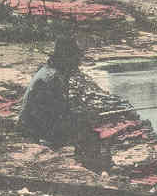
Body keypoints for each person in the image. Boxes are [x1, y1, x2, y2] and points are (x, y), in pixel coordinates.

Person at [19, 37, 109, 171]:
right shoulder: (52, 77)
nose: (78, 62)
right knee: (89, 131)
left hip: (36, 123)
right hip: (36, 129)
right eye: (75, 57)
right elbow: (56, 113)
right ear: (66, 57)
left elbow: (58, 108)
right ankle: (92, 168)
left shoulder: (54, 72)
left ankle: (90, 165)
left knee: (84, 124)